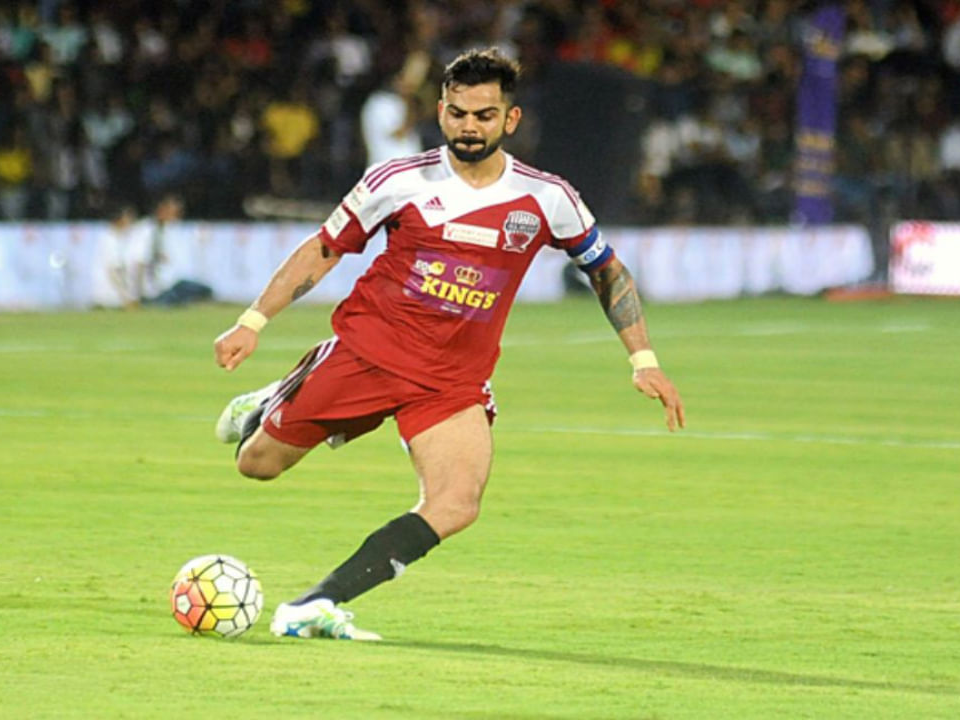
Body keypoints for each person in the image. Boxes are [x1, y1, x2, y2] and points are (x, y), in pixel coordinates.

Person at [211, 48, 685, 642]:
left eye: (484, 115)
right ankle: (271, 400)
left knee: (457, 503)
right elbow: (325, 248)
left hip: (452, 381)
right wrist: (253, 321)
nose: (469, 127)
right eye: (458, 113)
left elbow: (606, 270)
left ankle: (315, 605)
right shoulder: (398, 181)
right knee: (256, 465)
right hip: (369, 354)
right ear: (441, 112)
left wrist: (643, 360)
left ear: (510, 119)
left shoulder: (547, 197)